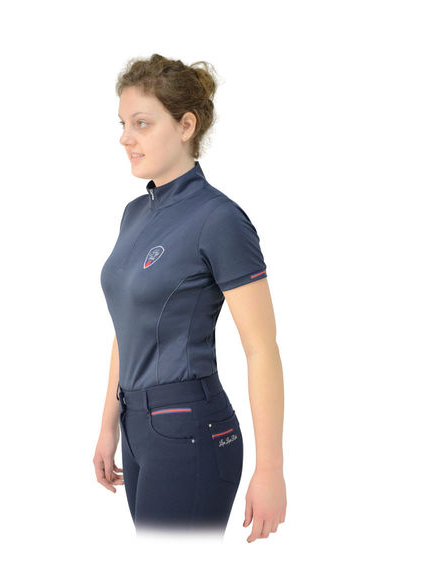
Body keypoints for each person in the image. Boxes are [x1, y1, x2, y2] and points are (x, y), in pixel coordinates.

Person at [94, 54, 286, 542]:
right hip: (138, 428)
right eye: (122, 124)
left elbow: (261, 349)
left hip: (190, 430)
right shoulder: (134, 214)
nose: (126, 137)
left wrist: (270, 470)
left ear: (186, 126)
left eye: (141, 123)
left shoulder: (219, 219)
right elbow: (127, 327)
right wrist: (109, 426)